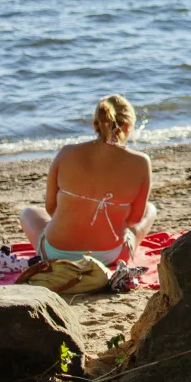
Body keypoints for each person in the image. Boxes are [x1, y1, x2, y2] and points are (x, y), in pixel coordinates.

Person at [21, 95, 157, 264]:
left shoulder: (66, 153)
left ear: (95, 125)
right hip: (110, 255)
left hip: (55, 253)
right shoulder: (141, 162)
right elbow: (134, 220)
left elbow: (51, 208)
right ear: (128, 127)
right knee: (150, 210)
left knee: (28, 213)